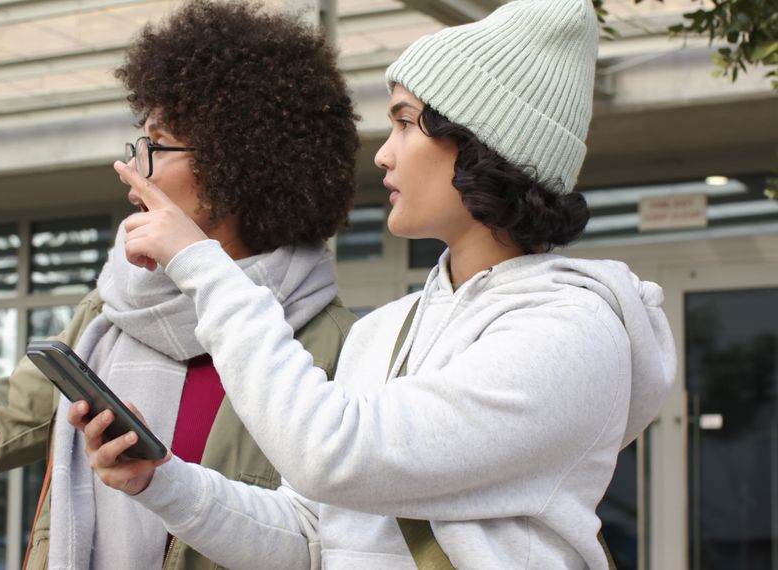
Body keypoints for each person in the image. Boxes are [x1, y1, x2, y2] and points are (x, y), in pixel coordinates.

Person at [71, 0, 677, 568]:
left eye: (406, 123)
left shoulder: (570, 334)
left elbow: (331, 455)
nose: (383, 155)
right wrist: (162, 480)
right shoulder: (385, 330)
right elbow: (313, 537)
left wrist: (201, 264)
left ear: (483, 145)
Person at [0, 2, 360, 568]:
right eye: (136, 144)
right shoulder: (112, 313)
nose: (133, 168)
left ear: (239, 161)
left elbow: (321, 542)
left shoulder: (330, 344)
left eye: (157, 144)